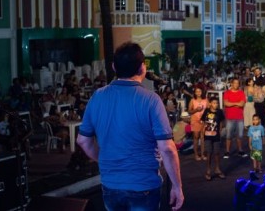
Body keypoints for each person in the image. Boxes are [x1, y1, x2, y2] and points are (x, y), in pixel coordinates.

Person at [76, 42, 184, 210]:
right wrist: (177, 187)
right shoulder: (151, 100)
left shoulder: (97, 96)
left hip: (110, 186)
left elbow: (83, 141)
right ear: (143, 68)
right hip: (143, 186)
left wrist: (106, 160)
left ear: (114, 67)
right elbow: (167, 148)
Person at [200, 97, 226, 181]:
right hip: (207, 135)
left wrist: (219, 132)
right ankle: (208, 169)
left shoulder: (220, 112)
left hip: (216, 135)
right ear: (210, 103)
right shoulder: (206, 111)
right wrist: (202, 133)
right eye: (214, 103)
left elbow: (221, 123)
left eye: (217, 103)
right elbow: (203, 122)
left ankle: (217, 169)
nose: (216, 104)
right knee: (209, 152)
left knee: (217, 152)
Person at [223, 77, 248, 158]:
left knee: (240, 135)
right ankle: (227, 151)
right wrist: (237, 103)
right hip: (229, 117)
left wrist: (232, 103)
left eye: (238, 83)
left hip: (239, 117)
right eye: (235, 83)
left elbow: (242, 104)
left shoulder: (241, 93)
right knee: (228, 135)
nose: (236, 85)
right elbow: (226, 104)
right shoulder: (227, 93)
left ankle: (240, 150)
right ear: (232, 84)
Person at [188, 87, 208, 161]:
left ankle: (203, 154)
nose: (198, 93)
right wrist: (196, 110)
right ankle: (196, 154)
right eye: (197, 91)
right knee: (196, 137)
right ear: (195, 92)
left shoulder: (205, 100)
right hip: (195, 119)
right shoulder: (192, 100)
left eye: (200, 91)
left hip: (204, 120)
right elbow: (189, 111)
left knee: (203, 137)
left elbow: (208, 109)